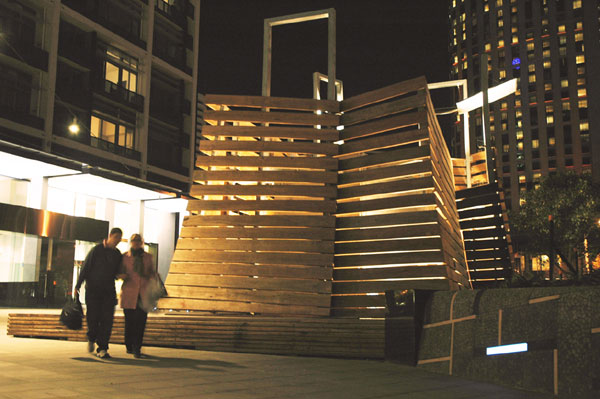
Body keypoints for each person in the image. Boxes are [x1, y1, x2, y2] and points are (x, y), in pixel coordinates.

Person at [75, 227, 123, 359]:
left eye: (119, 239)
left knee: (107, 320)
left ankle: (103, 348)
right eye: (116, 238)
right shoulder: (96, 250)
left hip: (108, 291)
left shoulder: (117, 254)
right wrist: (78, 285)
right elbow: (85, 268)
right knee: (93, 318)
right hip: (93, 291)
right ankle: (91, 337)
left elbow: (118, 272)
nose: (117, 241)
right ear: (110, 236)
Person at [119, 233, 157, 358]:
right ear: (130, 242)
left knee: (140, 322)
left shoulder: (148, 257)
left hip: (143, 294)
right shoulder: (125, 257)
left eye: (138, 241)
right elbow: (119, 272)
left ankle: (137, 348)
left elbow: (153, 273)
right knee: (129, 322)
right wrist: (121, 276)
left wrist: (150, 277)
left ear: (142, 242)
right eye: (134, 241)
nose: (136, 243)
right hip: (129, 293)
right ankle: (129, 345)